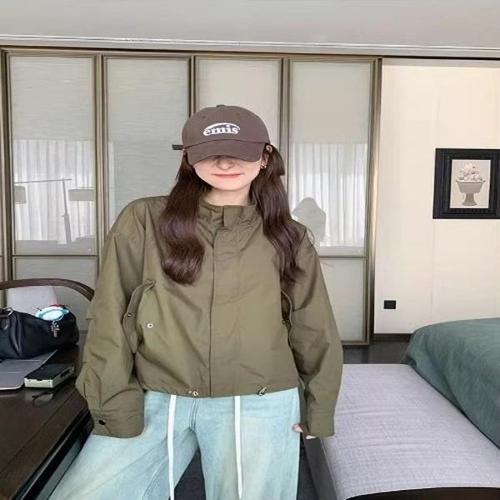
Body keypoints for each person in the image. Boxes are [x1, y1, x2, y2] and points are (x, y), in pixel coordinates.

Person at [49, 104, 343, 500]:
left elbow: (313, 325)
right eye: (210, 152)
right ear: (189, 158)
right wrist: (113, 400)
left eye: (239, 151)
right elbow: (111, 316)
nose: (225, 162)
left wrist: (319, 405)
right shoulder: (144, 220)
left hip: (260, 399)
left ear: (265, 157)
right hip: (156, 392)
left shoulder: (289, 235)